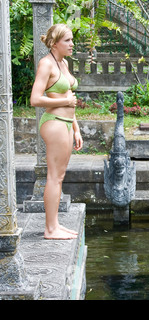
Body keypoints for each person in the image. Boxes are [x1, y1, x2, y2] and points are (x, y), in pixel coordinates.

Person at [30, 24, 83, 240]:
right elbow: (35, 99)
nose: (72, 44)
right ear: (55, 43)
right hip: (54, 123)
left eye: (72, 40)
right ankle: (50, 229)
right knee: (54, 176)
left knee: (59, 176)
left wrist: (76, 129)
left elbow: (70, 98)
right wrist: (65, 101)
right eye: (67, 41)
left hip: (66, 124)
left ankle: (55, 225)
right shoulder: (46, 64)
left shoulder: (63, 63)